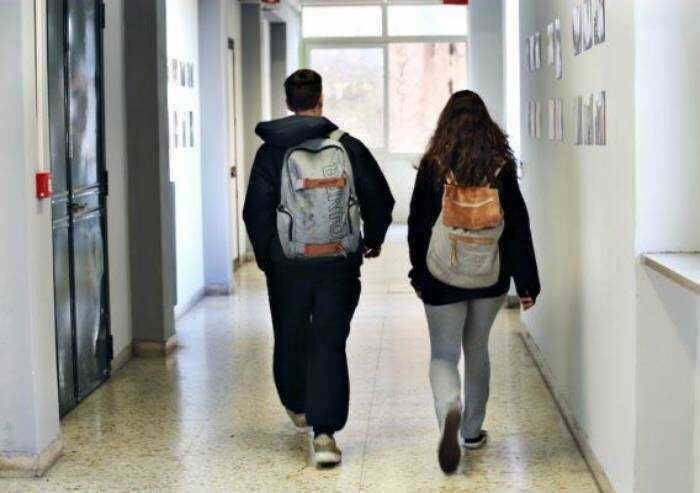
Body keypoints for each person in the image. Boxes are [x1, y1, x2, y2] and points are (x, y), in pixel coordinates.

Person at [243, 69, 395, 467]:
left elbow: (255, 211)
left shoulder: (271, 152)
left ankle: (298, 404)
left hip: (288, 267)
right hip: (338, 264)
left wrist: (270, 258)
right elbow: (380, 198)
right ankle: (325, 436)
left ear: (288, 103)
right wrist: (373, 239)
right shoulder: (347, 146)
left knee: (290, 335)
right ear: (320, 100)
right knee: (329, 341)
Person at [407, 90, 540, 474]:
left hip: (441, 275)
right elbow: (517, 226)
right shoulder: (500, 165)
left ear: (445, 123)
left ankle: (450, 405)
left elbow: (418, 224)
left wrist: (419, 273)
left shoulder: (434, 164)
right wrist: (526, 282)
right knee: (477, 348)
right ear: (486, 124)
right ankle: (471, 431)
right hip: (489, 274)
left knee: (443, 354)